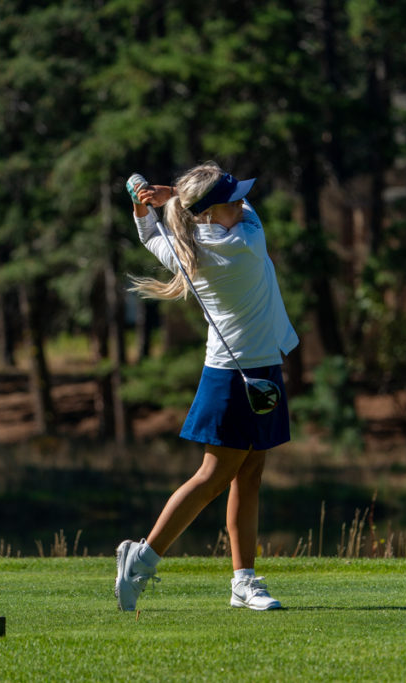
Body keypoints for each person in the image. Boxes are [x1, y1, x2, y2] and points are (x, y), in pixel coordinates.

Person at [114, 161, 299, 612]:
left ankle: (244, 580)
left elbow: (151, 237)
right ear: (212, 212)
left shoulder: (189, 247)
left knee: (249, 476)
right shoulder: (245, 241)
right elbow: (248, 211)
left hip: (257, 370)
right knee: (214, 476)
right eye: (231, 199)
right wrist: (171, 196)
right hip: (236, 377)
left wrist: (148, 205)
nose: (240, 202)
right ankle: (142, 557)